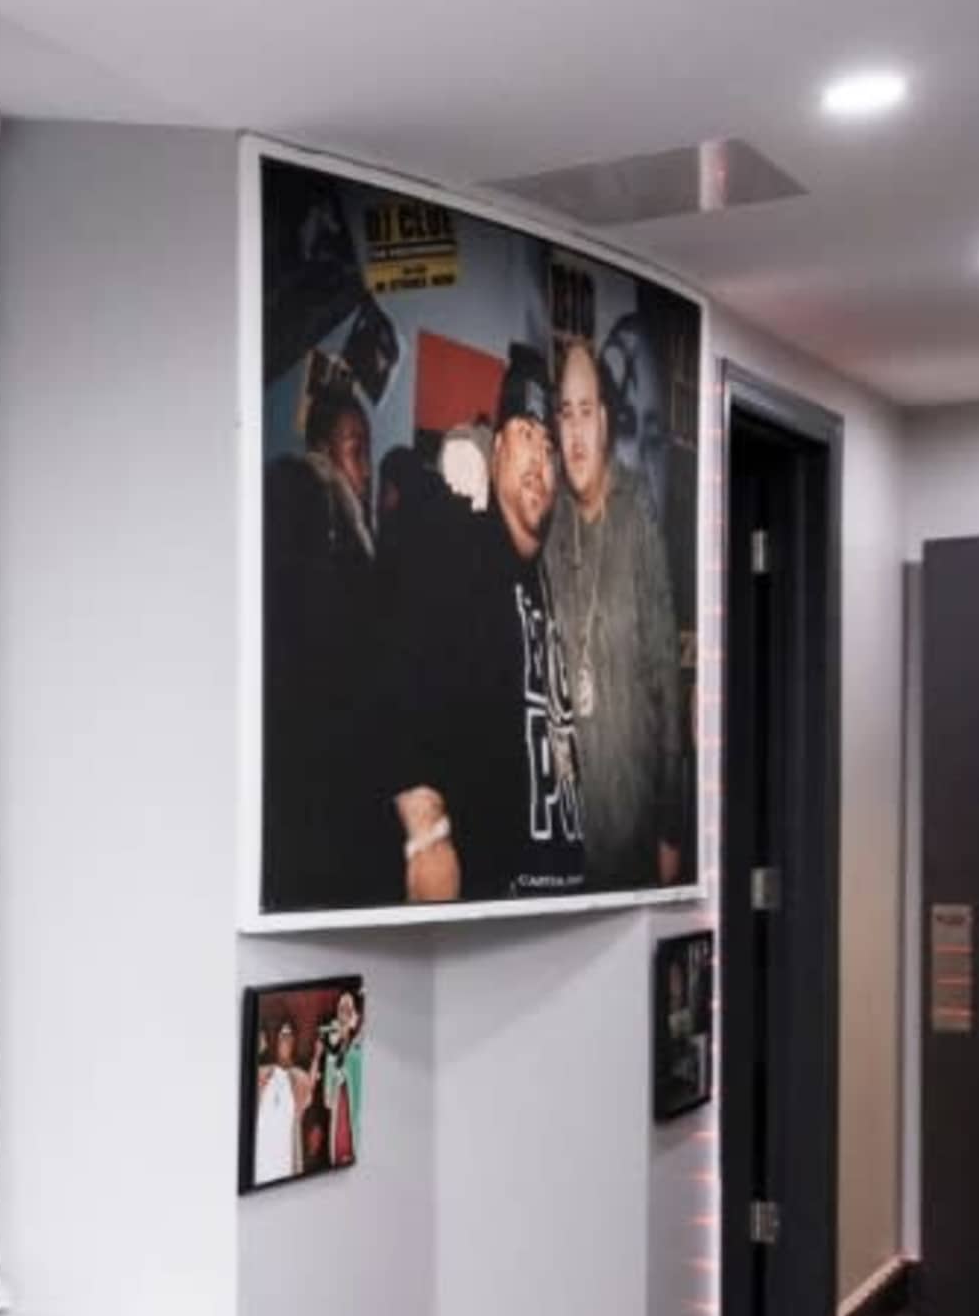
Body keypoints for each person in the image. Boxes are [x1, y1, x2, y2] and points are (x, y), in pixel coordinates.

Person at [379, 345, 587, 902]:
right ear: (495, 450)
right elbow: (397, 674)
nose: (540, 461)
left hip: (559, 892)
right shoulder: (456, 538)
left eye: (550, 450)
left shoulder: (551, 580)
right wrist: (426, 834)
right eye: (525, 436)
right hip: (491, 896)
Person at [541, 333, 687, 887]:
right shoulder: (549, 523)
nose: (575, 432)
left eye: (586, 412)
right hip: (567, 844)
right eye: (565, 415)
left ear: (604, 421)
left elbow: (666, 681)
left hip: (634, 837)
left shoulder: (637, 514)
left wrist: (671, 831)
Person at [262, 368, 388, 909]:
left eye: (367, 453)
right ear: (321, 452)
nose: (365, 470)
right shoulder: (319, 514)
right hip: (320, 774)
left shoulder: (336, 525)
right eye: (355, 451)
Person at [253, 1012, 308, 1186]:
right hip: (260, 1165)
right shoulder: (261, 1073)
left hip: (285, 1164)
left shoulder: (300, 1077)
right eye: (283, 1036)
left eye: (290, 1036)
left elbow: (306, 1099)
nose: (287, 1041)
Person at [313, 989, 362, 1169]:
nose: (345, 1013)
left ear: (354, 1013)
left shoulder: (359, 1045)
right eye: (341, 1008)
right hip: (339, 1104)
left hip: (355, 1107)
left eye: (349, 1008)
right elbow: (328, 1098)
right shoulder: (331, 1044)